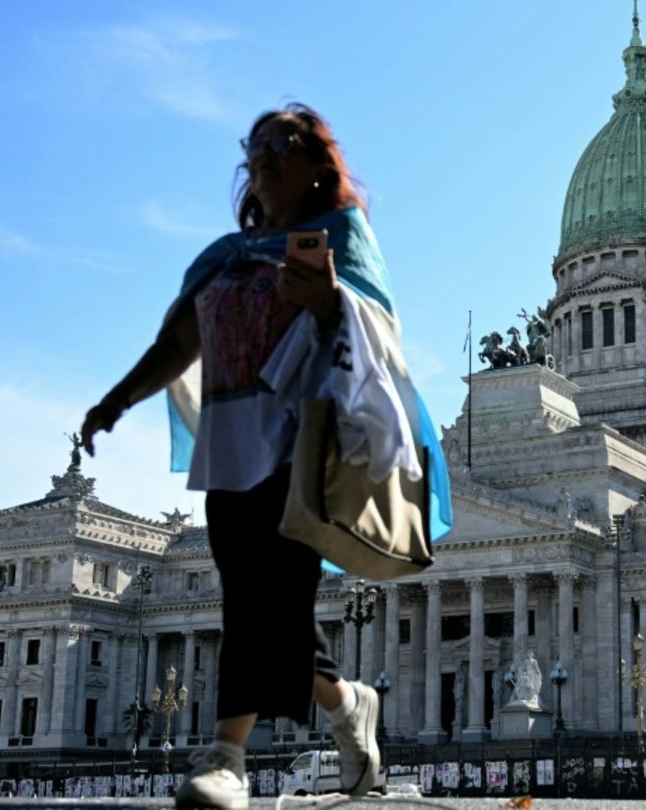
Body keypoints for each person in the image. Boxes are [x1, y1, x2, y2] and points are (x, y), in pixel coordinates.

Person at [80, 104, 449, 810]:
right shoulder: (223, 259)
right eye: (257, 149)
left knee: (261, 597)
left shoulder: (342, 237)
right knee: (269, 605)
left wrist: (329, 296)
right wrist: (116, 401)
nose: (269, 158)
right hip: (230, 446)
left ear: (320, 166)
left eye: (287, 145)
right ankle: (348, 709)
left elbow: (376, 335)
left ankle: (227, 757)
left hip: (302, 441)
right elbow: (176, 346)